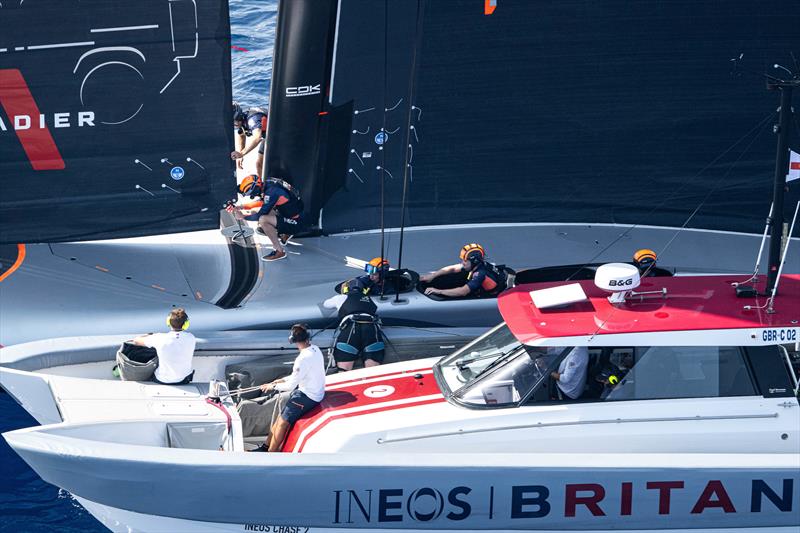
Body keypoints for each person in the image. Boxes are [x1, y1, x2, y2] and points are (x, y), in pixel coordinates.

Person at [244, 324, 326, 452]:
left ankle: (271, 453)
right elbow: (299, 375)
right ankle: (265, 447)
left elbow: (290, 386)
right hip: (313, 392)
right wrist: (283, 379)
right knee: (279, 419)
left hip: (308, 396)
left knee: (282, 423)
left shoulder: (302, 358)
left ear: (294, 341)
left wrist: (272, 386)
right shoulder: (315, 349)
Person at [231, 176, 305, 261]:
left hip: (296, 222)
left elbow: (260, 215)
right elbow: (263, 201)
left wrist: (243, 217)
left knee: (263, 220)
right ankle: (284, 233)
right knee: (255, 212)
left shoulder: (272, 192)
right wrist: (242, 207)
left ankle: (279, 251)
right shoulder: (269, 183)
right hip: (294, 214)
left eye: (249, 193)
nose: (250, 195)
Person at [323, 278, 385, 371]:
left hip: (351, 328)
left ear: (346, 289)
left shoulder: (342, 297)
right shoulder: (368, 299)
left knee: (344, 370)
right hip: (371, 328)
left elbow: (326, 304)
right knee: (372, 370)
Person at [131, 308, 196, 385]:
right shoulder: (191, 337)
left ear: (168, 322)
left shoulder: (159, 338)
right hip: (183, 380)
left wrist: (149, 335)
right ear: (186, 324)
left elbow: (136, 341)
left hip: (161, 380)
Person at [421, 243, 505, 298]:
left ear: (474, 261)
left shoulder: (480, 274)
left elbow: (463, 292)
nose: (462, 263)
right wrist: (433, 275)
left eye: (465, 261)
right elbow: (453, 268)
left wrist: (438, 291)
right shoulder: (478, 264)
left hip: (489, 297)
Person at [231, 103, 268, 179]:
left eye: (236, 121)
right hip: (268, 138)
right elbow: (241, 134)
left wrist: (241, 153)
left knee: (261, 164)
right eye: (233, 123)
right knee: (259, 165)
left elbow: (257, 137)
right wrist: (240, 155)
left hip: (277, 136)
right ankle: (262, 187)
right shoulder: (243, 118)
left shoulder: (252, 119)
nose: (235, 124)